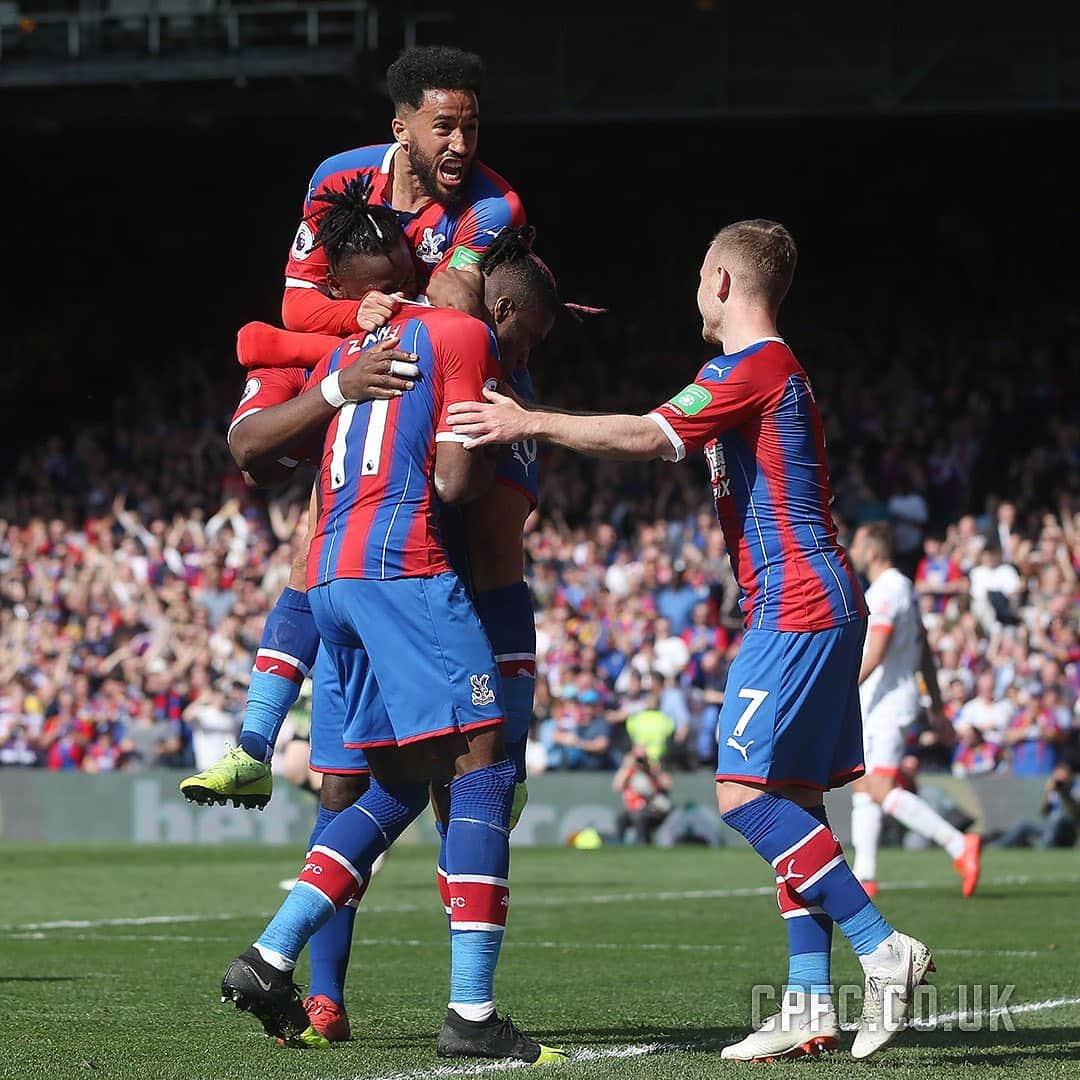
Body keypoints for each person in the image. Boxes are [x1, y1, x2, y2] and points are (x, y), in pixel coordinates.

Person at [448, 219, 934, 1061]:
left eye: (697, 277)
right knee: (797, 798)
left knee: (745, 795)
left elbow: (646, 435)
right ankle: (810, 1003)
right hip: (802, 594)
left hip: (798, 597)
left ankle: (881, 946)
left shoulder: (759, 366)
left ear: (720, 283)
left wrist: (530, 421)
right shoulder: (747, 372)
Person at [218, 233, 562, 1065]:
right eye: (527, 338)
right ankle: (472, 1016)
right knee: (484, 763)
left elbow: (263, 378)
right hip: (404, 569)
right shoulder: (462, 338)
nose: (521, 357)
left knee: (399, 783)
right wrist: (484, 447)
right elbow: (451, 483)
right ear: (500, 309)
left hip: (327, 577)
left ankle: (269, 956)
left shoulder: (363, 338)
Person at [282, 45, 523, 335]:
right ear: (401, 131)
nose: (461, 145)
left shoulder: (494, 207)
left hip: (444, 360)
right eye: (444, 128)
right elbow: (296, 304)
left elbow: (452, 316)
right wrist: (356, 313)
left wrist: (376, 316)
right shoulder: (336, 180)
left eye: (470, 127)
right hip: (352, 351)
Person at [847, 522, 982, 899]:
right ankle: (865, 876)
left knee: (881, 787)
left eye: (857, 543)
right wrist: (937, 705)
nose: (853, 550)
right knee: (863, 787)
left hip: (888, 702)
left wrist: (841, 688)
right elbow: (923, 651)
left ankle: (959, 844)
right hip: (881, 701)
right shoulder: (902, 587)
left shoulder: (886, 590)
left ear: (873, 550)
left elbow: (876, 651)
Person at [993, 763, 1078, 848]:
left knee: (1057, 816)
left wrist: (1065, 793)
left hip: (1068, 831)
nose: (1060, 782)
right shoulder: (1053, 791)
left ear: (1069, 777)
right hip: (1050, 828)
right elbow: (1042, 813)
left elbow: (1075, 812)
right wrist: (1047, 793)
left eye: (1063, 779)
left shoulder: (1075, 788)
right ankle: (998, 846)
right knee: (1022, 823)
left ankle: (1045, 846)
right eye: (1058, 779)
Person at [613, 746, 673, 844]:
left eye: (643, 758)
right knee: (622, 817)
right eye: (638, 758)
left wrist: (655, 771)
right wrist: (627, 767)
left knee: (640, 817)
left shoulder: (653, 772)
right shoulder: (629, 773)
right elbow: (617, 787)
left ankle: (641, 842)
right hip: (634, 810)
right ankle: (619, 843)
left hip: (653, 810)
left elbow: (668, 785)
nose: (640, 762)